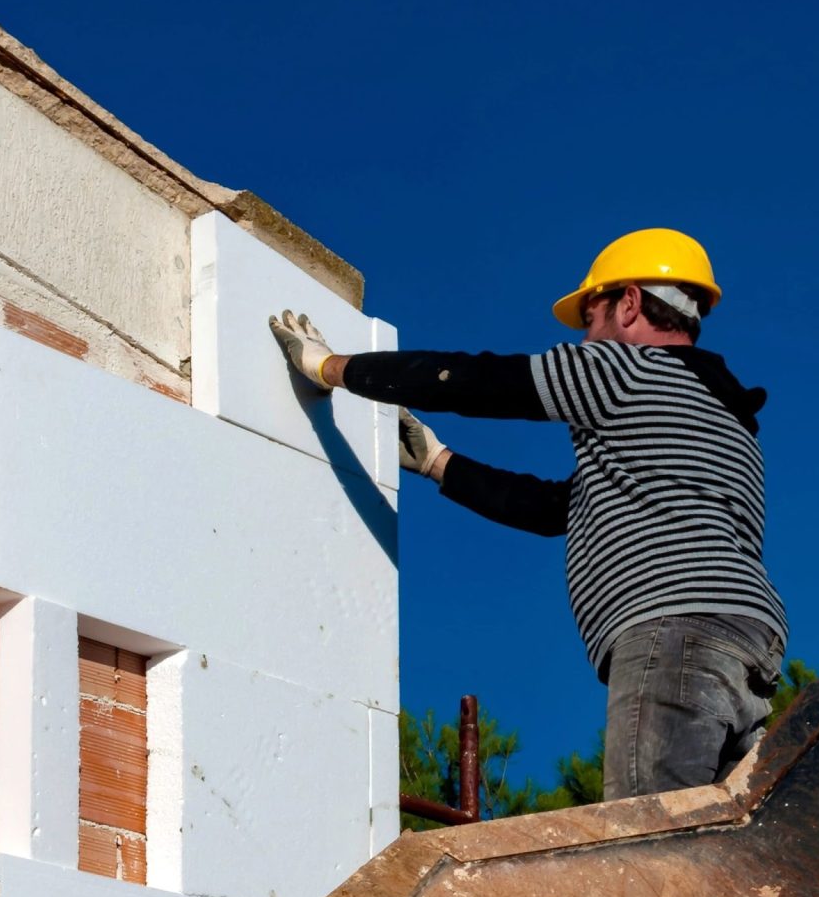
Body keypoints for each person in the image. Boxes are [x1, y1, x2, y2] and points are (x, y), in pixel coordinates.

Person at [269, 227, 787, 802]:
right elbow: (556, 508)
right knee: (717, 840)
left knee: (648, 832)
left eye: (590, 319)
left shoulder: (625, 370)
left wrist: (331, 367)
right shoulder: (725, 419)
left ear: (629, 304)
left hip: (673, 631)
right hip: (747, 646)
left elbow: (478, 382)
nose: (584, 340)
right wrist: (438, 461)